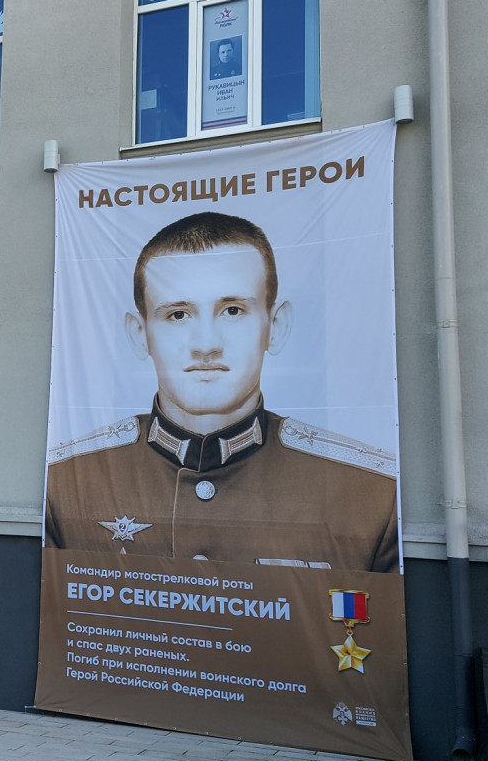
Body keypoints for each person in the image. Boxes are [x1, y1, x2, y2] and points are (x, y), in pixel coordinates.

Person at [45, 211, 399, 573]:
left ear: (275, 327)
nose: (206, 345)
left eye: (233, 310)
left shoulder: (369, 495)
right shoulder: (65, 484)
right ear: (140, 334)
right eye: (178, 315)